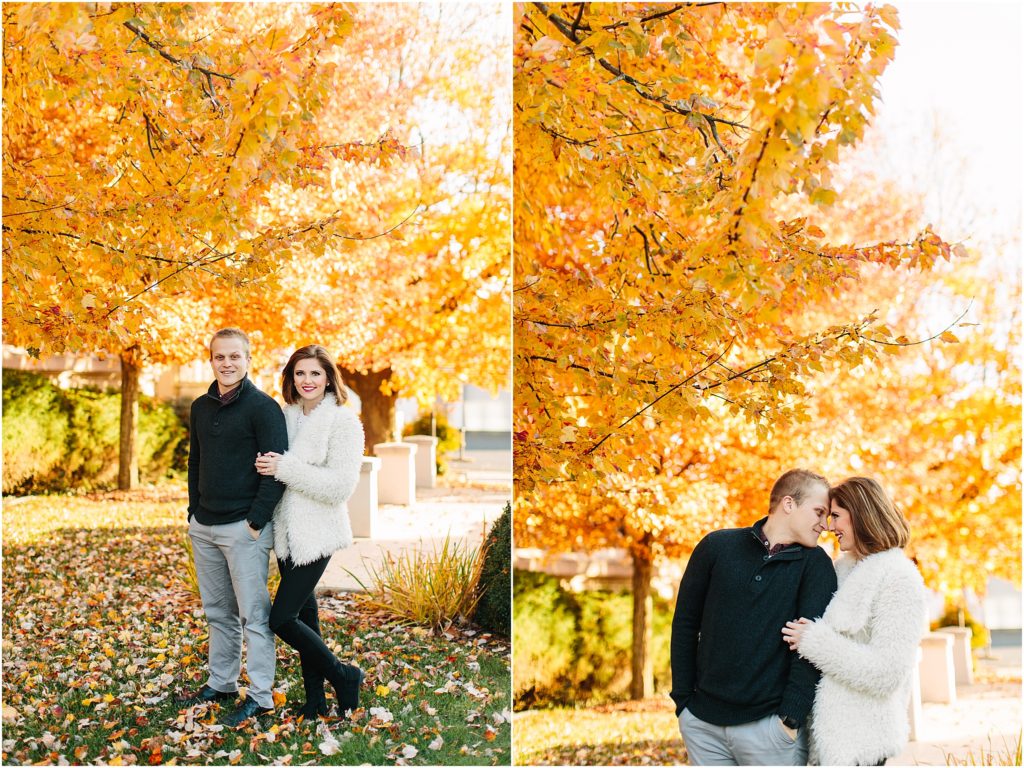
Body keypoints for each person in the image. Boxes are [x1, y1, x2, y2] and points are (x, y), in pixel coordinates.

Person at [670, 468, 838, 766]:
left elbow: (812, 646)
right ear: (789, 504)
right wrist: (683, 703)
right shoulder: (716, 547)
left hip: (770, 730)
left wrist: (790, 719)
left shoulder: (816, 565)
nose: (824, 525)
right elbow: (685, 624)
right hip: (703, 726)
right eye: (819, 512)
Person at [182, 328, 287, 727]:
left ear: (247, 359)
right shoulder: (200, 407)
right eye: (219, 357)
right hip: (204, 527)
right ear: (211, 360)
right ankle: (222, 683)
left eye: (234, 356)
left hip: (244, 529)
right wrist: (193, 512)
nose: (227, 363)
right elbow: (195, 462)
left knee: (253, 617)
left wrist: (256, 523)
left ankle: (261, 697)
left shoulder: (264, 408)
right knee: (217, 613)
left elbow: (275, 471)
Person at [781, 477, 926, 766]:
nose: (829, 526)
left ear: (861, 515)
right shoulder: (841, 570)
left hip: (863, 746)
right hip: (826, 741)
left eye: (836, 516)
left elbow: (887, 673)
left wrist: (814, 642)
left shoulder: (899, 577)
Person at [254, 344, 366, 720]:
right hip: (286, 532)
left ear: (328, 378)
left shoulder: (344, 422)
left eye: (315, 373)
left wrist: (284, 468)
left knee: (281, 619)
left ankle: (344, 674)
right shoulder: (285, 417)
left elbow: (340, 487)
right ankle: (315, 702)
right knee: (306, 616)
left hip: (317, 534)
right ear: (290, 377)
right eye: (300, 373)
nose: (307, 380)